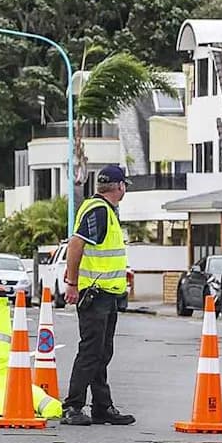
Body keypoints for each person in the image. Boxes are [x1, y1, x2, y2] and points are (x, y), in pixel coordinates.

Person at [60, 165, 136, 427]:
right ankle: (73, 406)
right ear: (119, 187)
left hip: (107, 293)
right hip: (94, 293)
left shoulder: (105, 211)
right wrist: (72, 282)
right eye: (125, 185)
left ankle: (102, 407)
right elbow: (76, 243)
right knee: (91, 351)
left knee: (102, 352)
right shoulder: (99, 210)